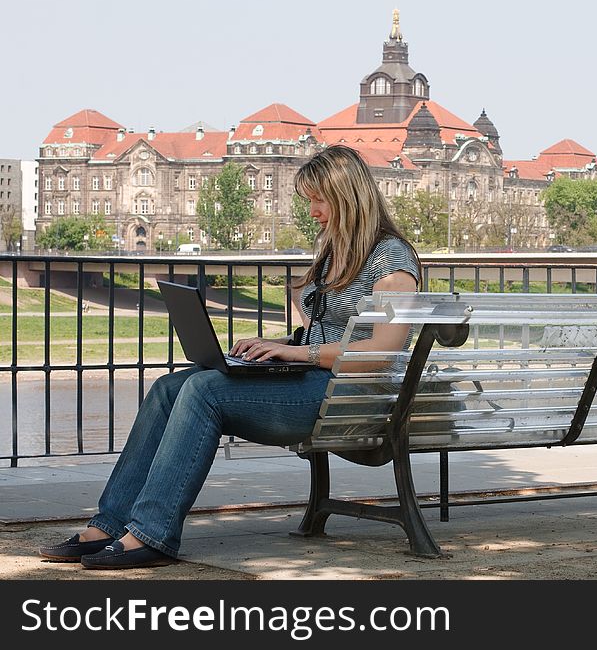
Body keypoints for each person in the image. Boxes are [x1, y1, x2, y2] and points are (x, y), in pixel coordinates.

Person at [38, 145, 421, 569]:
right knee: (170, 386)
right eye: (308, 199)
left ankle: (152, 533)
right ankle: (110, 523)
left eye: (320, 200)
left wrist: (299, 352)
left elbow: (384, 351)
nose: (312, 210)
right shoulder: (335, 249)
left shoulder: (392, 260)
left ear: (350, 199)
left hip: (353, 397)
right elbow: (320, 329)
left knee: (204, 390)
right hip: (319, 382)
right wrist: (274, 349)